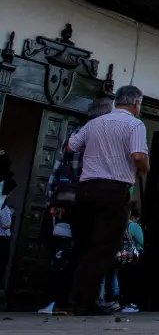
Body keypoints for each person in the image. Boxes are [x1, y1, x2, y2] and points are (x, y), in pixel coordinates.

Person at [64, 85, 149, 316]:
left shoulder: (95, 123)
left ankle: (70, 299)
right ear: (136, 103)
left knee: (83, 245)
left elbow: (71, 146)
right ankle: (86, 302)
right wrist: (144, 168)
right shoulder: (135, 125)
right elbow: (138, 155)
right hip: (114, 191)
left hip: (86, 188)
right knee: (102, 248)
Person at [37, 97, 113, 316]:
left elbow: (57, 169)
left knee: (69, 252)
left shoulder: (75, 134)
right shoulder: (101, 137)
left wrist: (52, 200)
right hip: (89, 203)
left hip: (68, 203)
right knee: (88, 251)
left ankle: (61, 300)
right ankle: (80, 299)